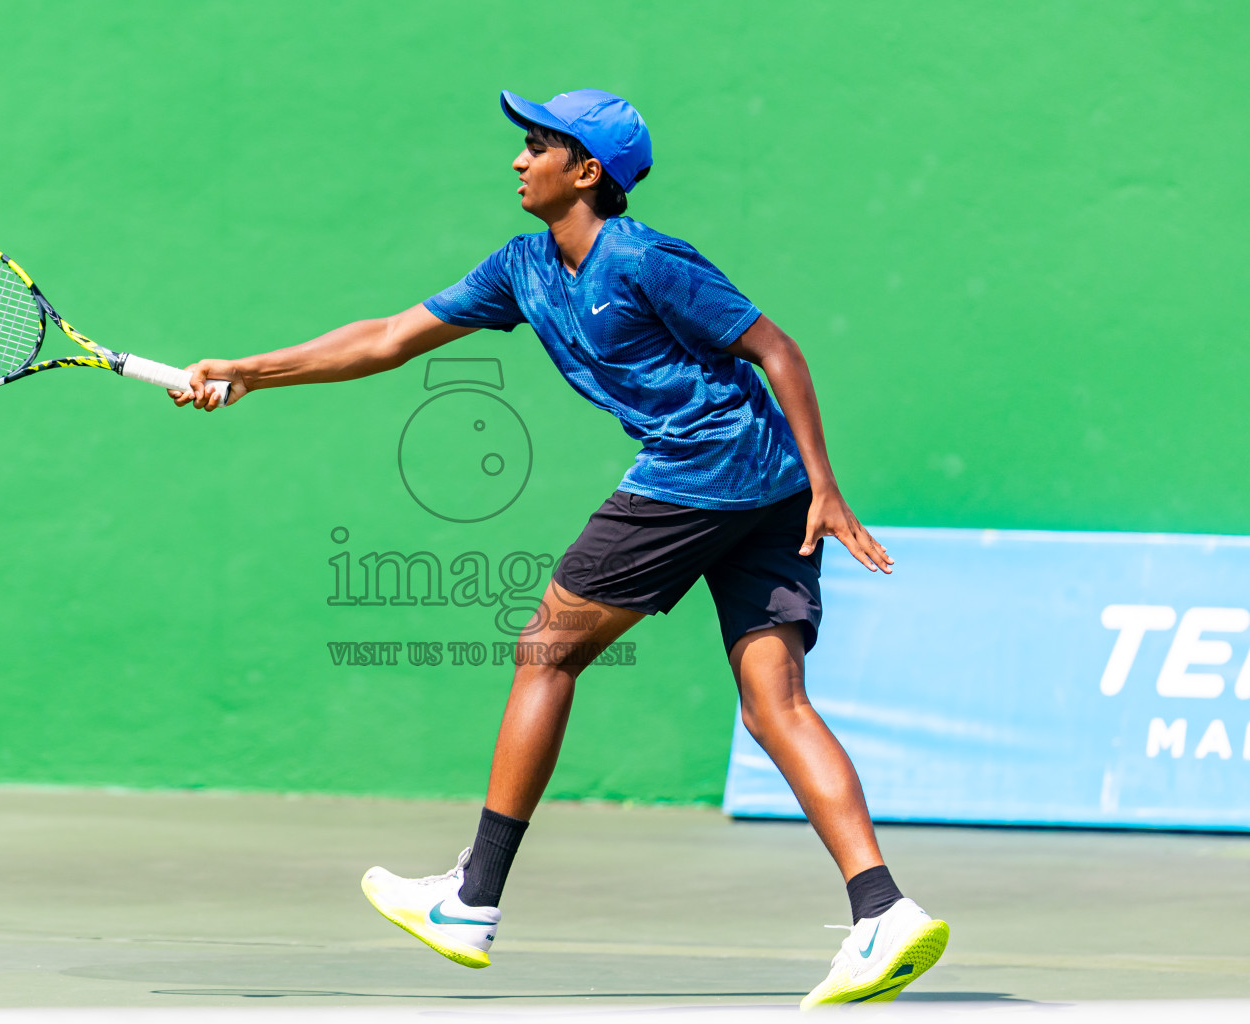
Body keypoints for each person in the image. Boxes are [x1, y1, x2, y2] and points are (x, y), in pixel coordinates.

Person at [171, 88, 949, 1008]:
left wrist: (828, 485)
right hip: (770, 488)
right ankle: (882, 910)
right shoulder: (520, 269)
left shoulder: (649, 259)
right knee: (774, 703)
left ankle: (473, 897)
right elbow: (388, 339)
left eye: (537, 144)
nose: (517, 159)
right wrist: (248, 372)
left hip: (706, 476)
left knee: (546, 650)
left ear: (587, 172)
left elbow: (777, 349)